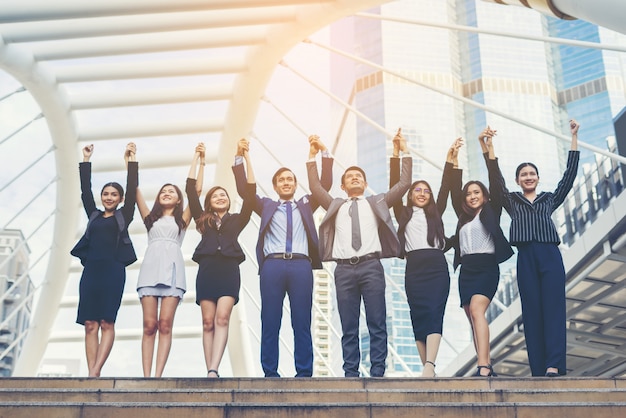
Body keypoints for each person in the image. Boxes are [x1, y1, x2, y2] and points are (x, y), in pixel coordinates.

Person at [307, 130, 412, 377]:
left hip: (371, 267)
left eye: (359, 177)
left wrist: (402, 151)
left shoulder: (377, 202)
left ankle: (377, 371)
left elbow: (404, 184)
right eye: (350, 177)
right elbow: (314, 186)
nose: (355, 179)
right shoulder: (335, 205)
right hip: (343, 270)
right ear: (343, 186)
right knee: (348, 325)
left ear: (364, 184)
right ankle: (350, 373)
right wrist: (314, 156)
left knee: (377, 321)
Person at [233, 136, 333, 378]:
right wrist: (241, 157)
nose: (286, 183)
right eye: (281, 180)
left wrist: (320, 154)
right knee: (270, 320)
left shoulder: (307, 205)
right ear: (276, 186)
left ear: (296, 184)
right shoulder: (266, 205)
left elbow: (325, 185)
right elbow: (245, 191)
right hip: (273, 266)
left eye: (290, 179)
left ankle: (304, 373)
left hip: (301, 265)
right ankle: (270, 372)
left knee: (301, 321)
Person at [498, 119, 580, 377]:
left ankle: (554, 364)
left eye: (532, 174)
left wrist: (574, 138)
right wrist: (487, 149)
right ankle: (538, 368)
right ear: (518, 180)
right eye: (523, 175)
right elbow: (495, 182)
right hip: (526, 258)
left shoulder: (549, 199)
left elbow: (569, 176)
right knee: (532, 313)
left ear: (538, 178)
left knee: (554, 309)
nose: (528, 177)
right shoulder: (511, 202)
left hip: (550, 256)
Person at [446, 127, 514, 377]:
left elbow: (496, 181)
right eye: (469, 194)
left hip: (486, 267)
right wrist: (452, 159)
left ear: (485, 197)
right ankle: (483, 362)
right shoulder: (463, 217)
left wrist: (488, 149)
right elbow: (453, 190)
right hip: (466, 271)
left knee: (477, 310)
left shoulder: (491, 211)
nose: (472, 196)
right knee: (472, 318)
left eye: (477, 192)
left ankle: (484, 367)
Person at [186, 139, 255, 378]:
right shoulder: (202, 219)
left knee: (222, 318)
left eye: (224, 195)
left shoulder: (237, 219)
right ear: (209, 202)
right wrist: (199, 160)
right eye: (216, 195)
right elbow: (190, 189)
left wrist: (245, 158)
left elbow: (251, 193)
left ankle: (214, 369)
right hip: (207, 272)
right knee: (207, 321)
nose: (221, 197)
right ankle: (209, 368)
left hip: (228, 271)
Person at [390, 135, 459, 377]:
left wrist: (450, 161)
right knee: (418, 315)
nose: (421, 193)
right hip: (414, 268)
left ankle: (430, 365)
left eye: (425, 191)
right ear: (410, 195)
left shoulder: (435, 213)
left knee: (433, 312)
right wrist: (398, 154)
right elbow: (395, 187)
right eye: (417, 190)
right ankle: (427, 366)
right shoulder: (403, 214)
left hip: (436, 267)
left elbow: (446, 188)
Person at [134, 143, 204, 377]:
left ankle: (157, 376)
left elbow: (197, 192)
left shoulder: (182, 221)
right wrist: (130, 160)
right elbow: (134, 190)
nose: (166, 193)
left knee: (165, 325)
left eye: (171, 192)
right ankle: (145, 376)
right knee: (149, 325)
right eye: (163, 191)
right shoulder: (149, 219)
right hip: (150, 272)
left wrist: (199, 160)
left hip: (173, 273)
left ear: (178, 200)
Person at [70, 143, 138, 377]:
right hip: (91, 273)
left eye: (113, 194)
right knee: (90, 324)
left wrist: (131, 161)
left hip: (113, 272)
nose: (109, 197)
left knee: (107, 322)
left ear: (119, 199)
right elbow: (84, 192)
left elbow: (133, 190)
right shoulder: (94, 215)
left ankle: (95, 371)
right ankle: (92, 371)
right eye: (106, 194)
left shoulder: (123, 216)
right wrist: (86, 160)